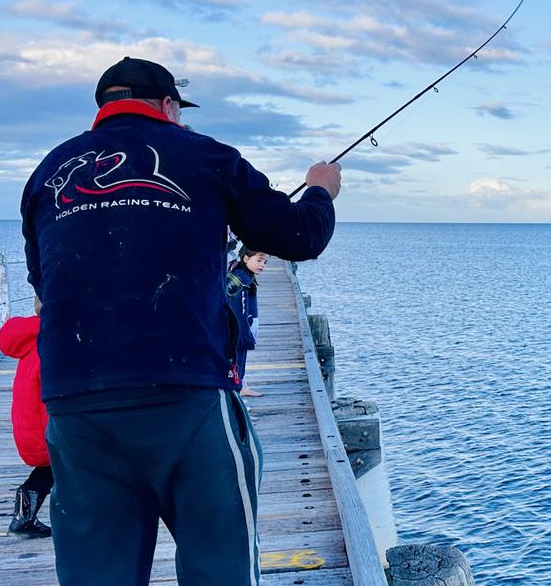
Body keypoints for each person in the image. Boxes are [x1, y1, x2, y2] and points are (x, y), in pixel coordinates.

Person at [20, 56, 341, 586]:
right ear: (169, 106)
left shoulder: (49, 172)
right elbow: (300, 236)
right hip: (183, 398)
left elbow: (44, 289)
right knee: (221, 571)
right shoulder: (205, 156)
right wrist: (319, 190)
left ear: (104, 107)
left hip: (75, 406)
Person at [0, 297, 52, 538]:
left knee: (48, 473)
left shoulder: (31, 342)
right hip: (45, 431)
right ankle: (23, 520)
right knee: (59, 470)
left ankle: (23, 517)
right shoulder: (50, 344)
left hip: (28, 427)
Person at [227, 246, 267, 397]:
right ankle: (237, 392)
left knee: (240, 361)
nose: (262, 265)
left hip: (246, 326)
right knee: (237, 363)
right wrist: (243, 334)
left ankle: (242, 387)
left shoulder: (247, 276)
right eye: (259, 260)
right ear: (245, 258)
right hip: (241, 329)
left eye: (265, 262)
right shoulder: (241, 278)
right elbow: (240, 309)